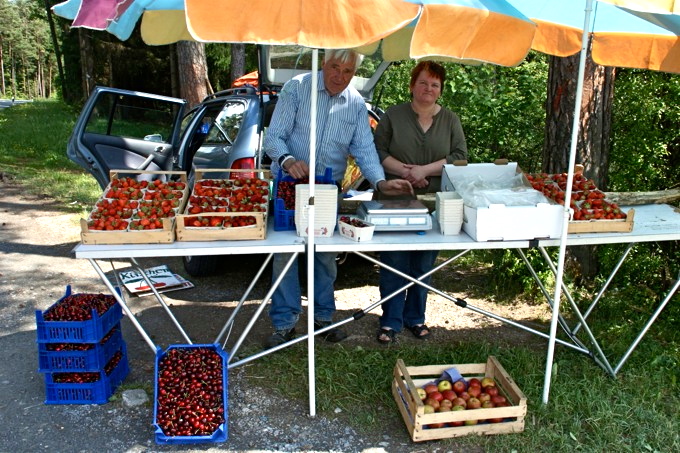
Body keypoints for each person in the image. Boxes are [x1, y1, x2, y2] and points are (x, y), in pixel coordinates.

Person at [263, 49, 413, 348]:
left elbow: (364, 149)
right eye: (334, 67)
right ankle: (284, 322)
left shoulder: (356, 103)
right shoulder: (298, 88)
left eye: (347, 71)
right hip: (289, 184)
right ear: (323, 64)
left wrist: (381, 181)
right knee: (285, 254)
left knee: (325, 256)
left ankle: (323, 319)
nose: (339, 76)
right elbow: (273, 137)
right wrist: (288, 159)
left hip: (328, 189)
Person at [373, 60, 468, 344]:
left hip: (434, 203)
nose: (428, 88)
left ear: (440, 90)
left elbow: (461, 156)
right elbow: (376, 150)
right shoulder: (392, 115)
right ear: (413, 85)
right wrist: (406, 172)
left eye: (435, 84)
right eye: (423, 82)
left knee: (423, 264)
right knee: (394, 261)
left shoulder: (450, 119)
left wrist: (424, 171)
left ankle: (415, 318)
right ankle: (390, 320)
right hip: (393, 199)